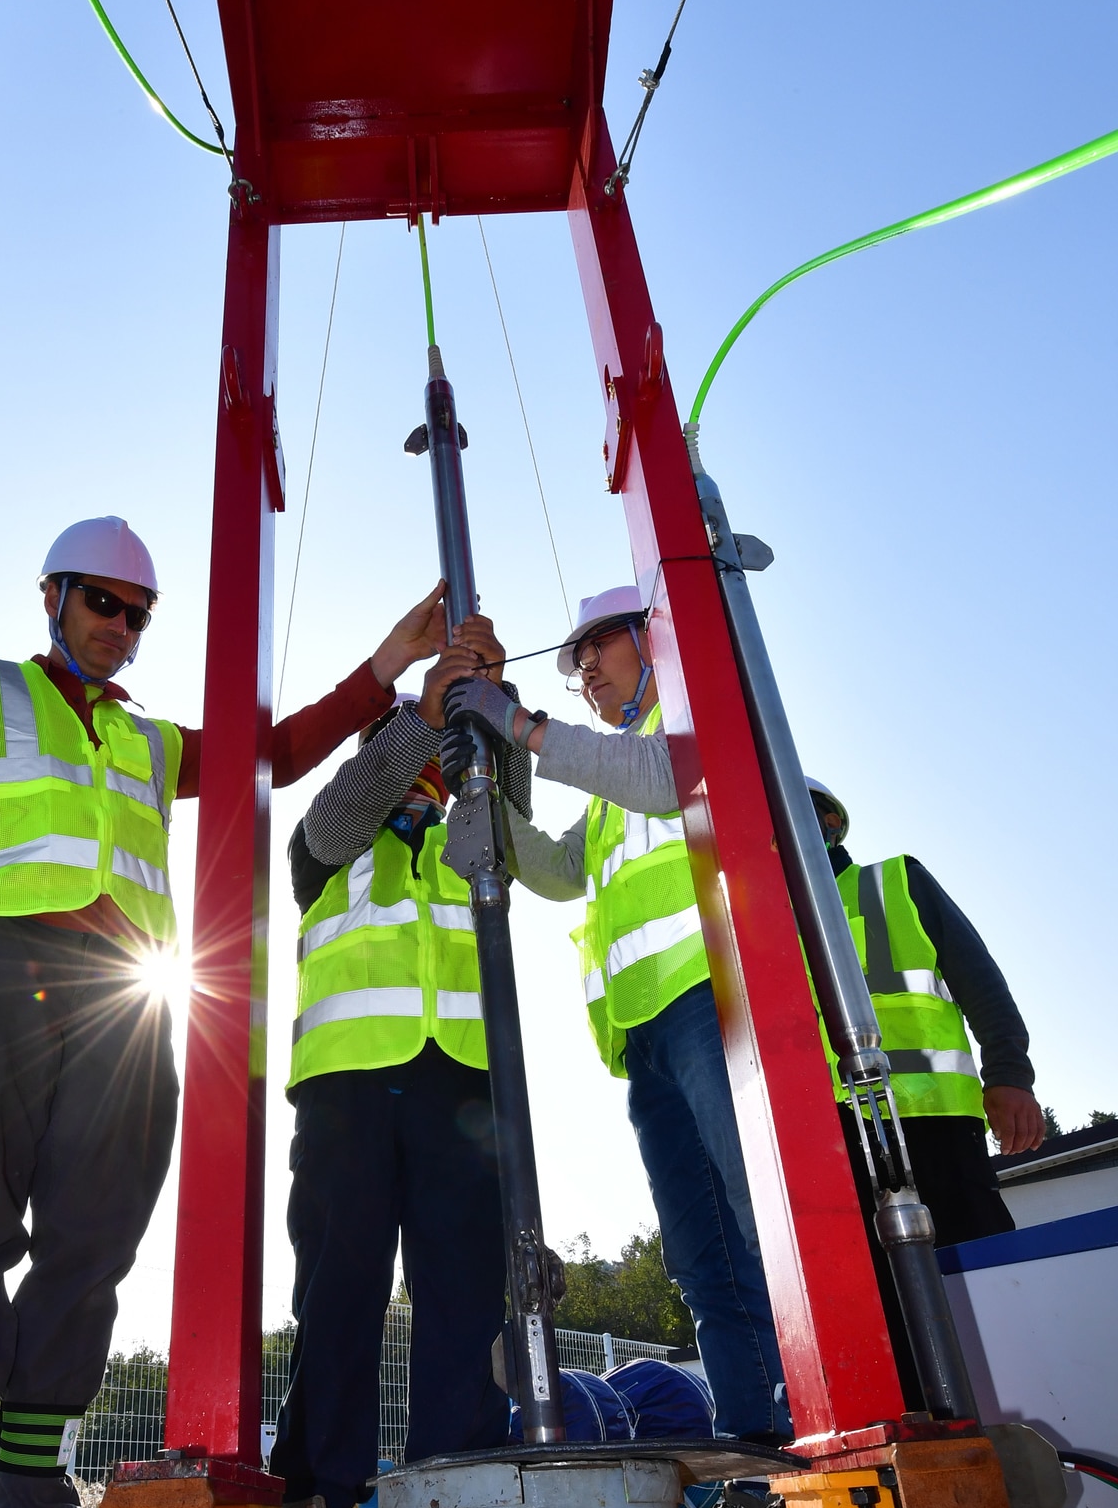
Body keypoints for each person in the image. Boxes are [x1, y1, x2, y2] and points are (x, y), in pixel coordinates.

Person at [0, 515, 450, 1508]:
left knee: (88, 1256)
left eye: (137, 615)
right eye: (102, 605)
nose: (120, 630)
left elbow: (270, 753)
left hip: (123, 998)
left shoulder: (146, 743)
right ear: (52, 596)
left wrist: (385, 670)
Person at [444, 586, 791, 1446]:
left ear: (651, 636)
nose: (585, 669)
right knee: (703, 1259)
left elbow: (672, 779)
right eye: (576, 663)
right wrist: (486, 806)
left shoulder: (693, 714)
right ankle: (756, 1451)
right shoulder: (607, 786)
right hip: (648, 1038)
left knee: (767, 1228)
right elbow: (565, 871)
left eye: (598, 645)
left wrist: (517, 724)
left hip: (722, 1006)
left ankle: (820, 1422)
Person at [269, 615, 523, 1508]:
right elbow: (331, 822)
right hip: (346, 1084)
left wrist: (489, 720)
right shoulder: (329, 843)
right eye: (393, 747)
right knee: (338, 1295)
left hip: (460, 1087)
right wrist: (418, 717)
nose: (412, 763)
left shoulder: (469, 825)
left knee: (464, 1299)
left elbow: (509, 832)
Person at [807, 776, 1045, 1405]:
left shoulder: (895, 882)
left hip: (935, 1124)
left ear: (832, 824)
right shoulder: (770, 921)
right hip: (837, 1139)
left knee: (982, 1278)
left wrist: (1010, 1077)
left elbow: (980, 983)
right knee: (879, 1302)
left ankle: (1029, 1405)